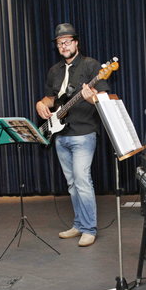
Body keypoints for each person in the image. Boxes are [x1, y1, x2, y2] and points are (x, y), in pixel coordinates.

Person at [36, 23, 110, 247]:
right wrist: (41, 103)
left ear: (76, 42)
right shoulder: (54, 70)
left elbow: (103, 99)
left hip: (84, 133)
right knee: (71, 184)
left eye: (67, 41)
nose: (64, 45)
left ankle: (89, 228)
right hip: (60, 134)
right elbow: (51, 98)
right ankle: (78, 224)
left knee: (82, 181)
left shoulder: (91, 65)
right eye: (60, 43)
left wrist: (89, 97)